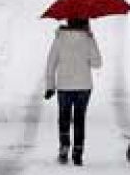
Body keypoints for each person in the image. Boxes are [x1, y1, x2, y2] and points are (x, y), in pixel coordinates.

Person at [43, 17, 102, 166]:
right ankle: (77, 152)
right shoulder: (87, 39)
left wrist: (50, 85)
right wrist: (92, 39)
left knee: (64, 118)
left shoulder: (60, 39)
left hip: (64, 86)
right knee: (79, 120)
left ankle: (64, 148)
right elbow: (97, 63)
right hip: (84, 86)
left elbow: (51, 63)